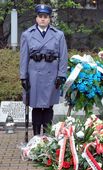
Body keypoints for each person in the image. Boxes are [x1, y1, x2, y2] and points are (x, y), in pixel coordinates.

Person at [19, 4, 68, 136]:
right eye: (40, 16)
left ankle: (47, 136)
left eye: (45, 17)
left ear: (49, 19)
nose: (43, 19)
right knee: (36, 106)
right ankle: (35, 137)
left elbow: (63, 56)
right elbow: (23, 57)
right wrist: (23, 77)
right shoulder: (27, 35)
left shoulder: (58, 35)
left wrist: (61, 75)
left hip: (51, 76)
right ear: (36, 18)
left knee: (48, 106)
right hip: (34, 75)